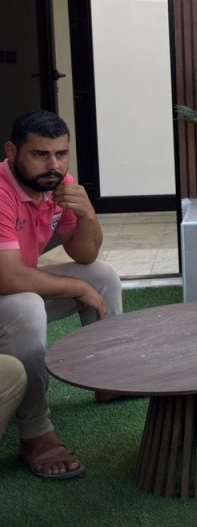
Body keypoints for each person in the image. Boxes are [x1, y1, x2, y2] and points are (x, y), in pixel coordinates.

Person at [0, 110, 121, 479]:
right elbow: (8, 277)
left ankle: (110, 380)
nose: (53, 165)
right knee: (27, 307)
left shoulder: (57, 185)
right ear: (12, 152)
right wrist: (76, 288)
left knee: (102, 276)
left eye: (61, 154)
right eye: (40, 154)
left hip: (10, 289)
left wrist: (88, 216)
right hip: (7, 290)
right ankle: (36, 432)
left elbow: (84, 255)